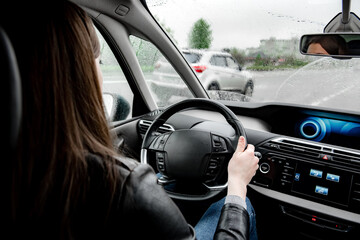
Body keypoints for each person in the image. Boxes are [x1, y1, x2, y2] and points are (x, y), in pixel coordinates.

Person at [4, 1, 259, 239]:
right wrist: (236, 183)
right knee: (237, 204)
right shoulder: (125, 186)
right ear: (82, 74)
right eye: (99, 61)